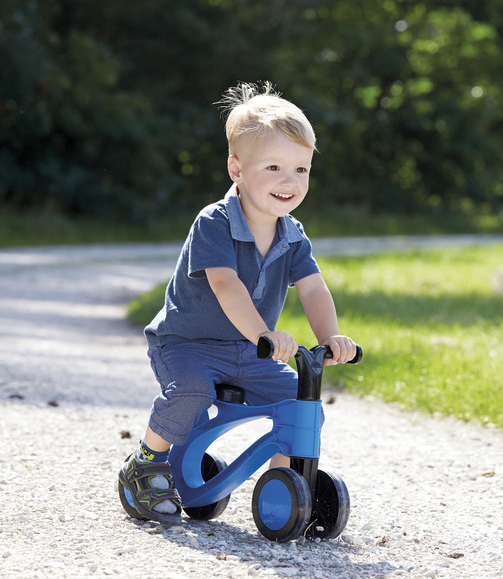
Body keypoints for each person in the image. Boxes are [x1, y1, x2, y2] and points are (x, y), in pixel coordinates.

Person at [118, 81, 358, 524]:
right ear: (237, 169)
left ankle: (287, 487)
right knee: (190, 391)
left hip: (249, 351)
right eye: (274, 167)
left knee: (299, 398)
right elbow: (226, 285)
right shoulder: (215, 222)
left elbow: (313, 289)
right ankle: (145, 463)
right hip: (187, 343)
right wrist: (264, 334)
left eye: (301, 169)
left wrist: (330, 337)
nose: (290, 181)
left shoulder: (293, 234)